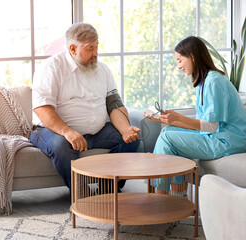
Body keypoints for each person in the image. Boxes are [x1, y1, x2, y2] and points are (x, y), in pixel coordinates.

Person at [30, 23, 140, 192]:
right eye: (90, 49)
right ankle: (82, 194)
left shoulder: (102, 70)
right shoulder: (51, 68)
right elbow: (42, 108)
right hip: (52, 131)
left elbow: (114, 105)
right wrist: (67, 132)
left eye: (97, 47)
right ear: (73, 49)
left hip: (96, 132)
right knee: (61, 147)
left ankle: (107, 189)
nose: (95, 53)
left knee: (132, 140)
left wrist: (125, 129)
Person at [146, 36, 246, 194]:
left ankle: (160, 197)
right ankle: (176, 198)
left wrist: (178, 119)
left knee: (167, 138)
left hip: (228, 140)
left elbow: (212, 126)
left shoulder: (214, 81)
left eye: (180, 60)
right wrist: (171, 120)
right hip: (217, 136)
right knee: (167, 132)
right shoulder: (203, 82)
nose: (179, 66)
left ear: (192, 56)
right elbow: (204, 122)